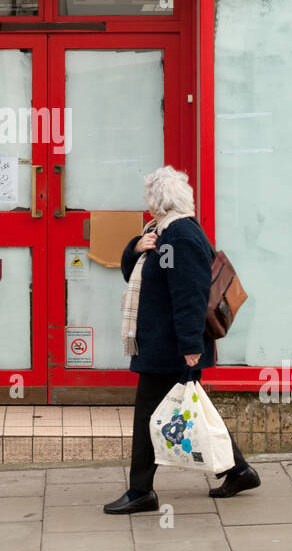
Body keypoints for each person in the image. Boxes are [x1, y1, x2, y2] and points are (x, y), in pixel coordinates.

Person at [103, 165, 260, 515]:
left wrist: (190, 347)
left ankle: (141, 491)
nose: (146, 203)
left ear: (158, 200)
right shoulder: (163, 233)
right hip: (167, 344)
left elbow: (189, 295)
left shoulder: (181, 237)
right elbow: (138, 274)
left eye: (149, 197)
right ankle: (238, 470)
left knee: (148, 415)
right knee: (191, 409)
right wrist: (135, 248)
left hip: (171, 347)